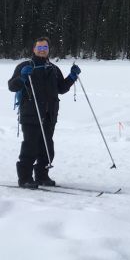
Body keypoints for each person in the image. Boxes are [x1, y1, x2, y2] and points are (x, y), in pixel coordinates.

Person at [8, 36, 80, 188]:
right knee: (30, 146)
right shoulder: (25, 66)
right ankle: (25, 178)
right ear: (34, 49)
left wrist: (72, 76)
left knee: (47, 148)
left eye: (45, 48)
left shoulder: (53, 68)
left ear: (48, 50)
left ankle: (42, 175)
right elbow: (12, 86)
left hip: (49, 114)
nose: (42, 51)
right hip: (31, 113)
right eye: (39, 48)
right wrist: (22, 77)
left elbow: (61, 88)